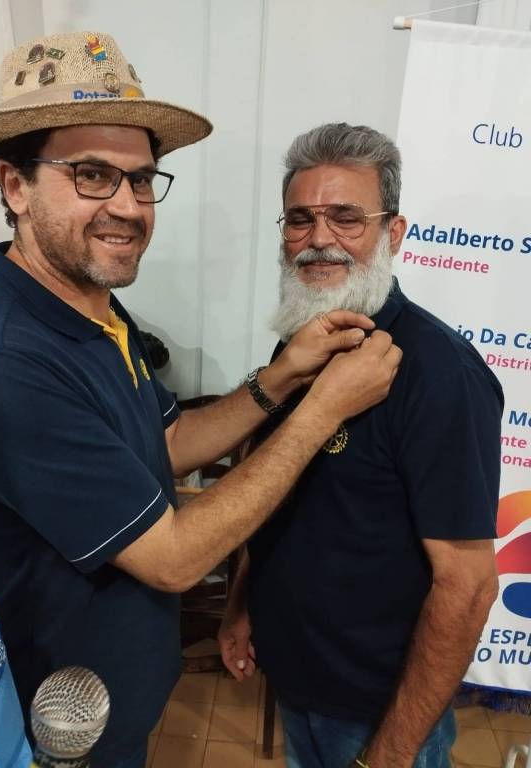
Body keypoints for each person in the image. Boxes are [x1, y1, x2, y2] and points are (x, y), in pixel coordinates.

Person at [0, 36, 401, 768]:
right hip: (60, 720)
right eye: (92, 175)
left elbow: (167, 442)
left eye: (141, 180)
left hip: (124, 688)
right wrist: (322, 409)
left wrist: (284, 376)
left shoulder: (94, 307)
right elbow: (174, 559)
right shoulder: (2, 364)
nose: (128, 207)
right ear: (15, 186)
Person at [218, 122, 504, 768]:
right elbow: (277, 496)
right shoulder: (296, 348)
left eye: (346, 217)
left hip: (382, 713)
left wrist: (390, 756)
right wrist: (242, 603)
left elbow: (467, 587)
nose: (318, 238)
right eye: (300, 219)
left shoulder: (440, 375)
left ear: (392, 233)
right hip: (294, 679)